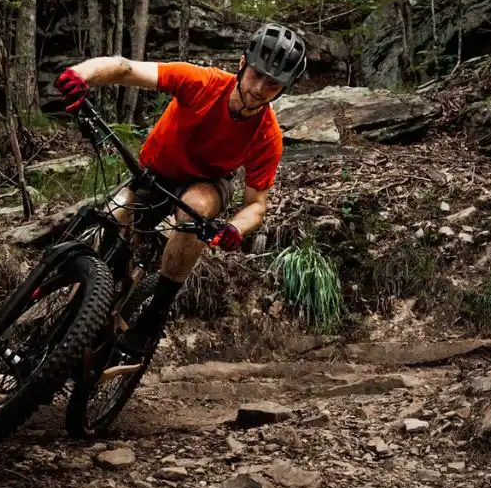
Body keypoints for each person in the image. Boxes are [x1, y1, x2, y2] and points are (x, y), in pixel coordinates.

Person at [52, 23, 306, 354]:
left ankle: (155, 316)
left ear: (282, 90)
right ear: (242, 64)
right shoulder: (203, 83)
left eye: (273, 84)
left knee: (196, 210)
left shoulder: (268, 136)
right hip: (154, 174)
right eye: (257, 74)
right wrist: (80, 75)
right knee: (110, 223)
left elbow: (257, 204)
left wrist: (234, 228)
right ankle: (67, 328)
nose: (259, 88)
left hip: (207, 185)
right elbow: (126, 68)